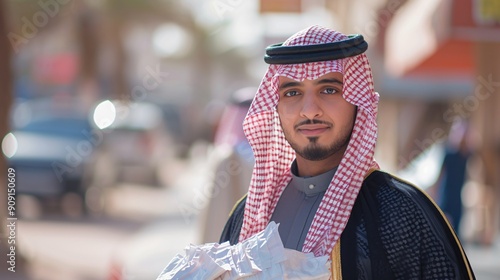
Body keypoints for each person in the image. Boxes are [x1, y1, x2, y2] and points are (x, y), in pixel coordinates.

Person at [219, 25, 475, 279]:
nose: (309, 110)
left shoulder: (401, 211)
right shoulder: (247, 216)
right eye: (292, 92)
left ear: (358, 101)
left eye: (329, 90)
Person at [434, 119, 473, 239]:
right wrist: (435, 189)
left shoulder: (465, 156)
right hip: (447, 193)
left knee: (457, 223)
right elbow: (441, 174)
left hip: (457, 194)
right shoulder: (449, 154)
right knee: (444, 222)